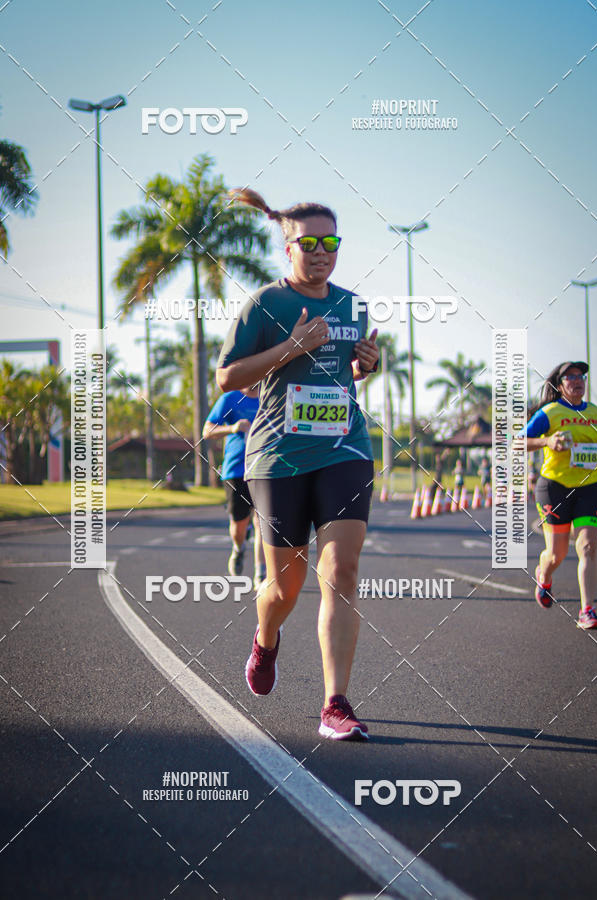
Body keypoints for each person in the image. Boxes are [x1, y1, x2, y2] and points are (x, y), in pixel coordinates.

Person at [216, 188, 379, 740]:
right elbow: (229, 378)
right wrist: (291, 346)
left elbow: (343, 371)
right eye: (307, 243)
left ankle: (336, 703)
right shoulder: (263, 304)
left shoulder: (355, 305)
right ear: (287, 248)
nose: (320, 252)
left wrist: (366, 366)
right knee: (284, 587)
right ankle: (265, 640)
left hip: (345, 451)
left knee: (341, 573)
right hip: (278, 457)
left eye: (329, 242)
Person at [525, 361, 597, 629]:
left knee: (588, 547)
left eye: (581, 376)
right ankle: (543, 576)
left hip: (590, 487)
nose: (577, 381)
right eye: (571, 377)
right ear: (560, 385)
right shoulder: (550, 413)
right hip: (554, 487)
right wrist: (547, 441)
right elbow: (517, 442)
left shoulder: (596, 413)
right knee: (556, 555)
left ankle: (587, 610)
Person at [203, 387, 266, 589]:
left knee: (262, 523)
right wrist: (232, 428)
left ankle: (260, 574)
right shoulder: (230, 399)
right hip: (236, 470)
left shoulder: (270, 395)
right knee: (239, 524)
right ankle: (238, 548)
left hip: (265, 469)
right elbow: (207, 431)